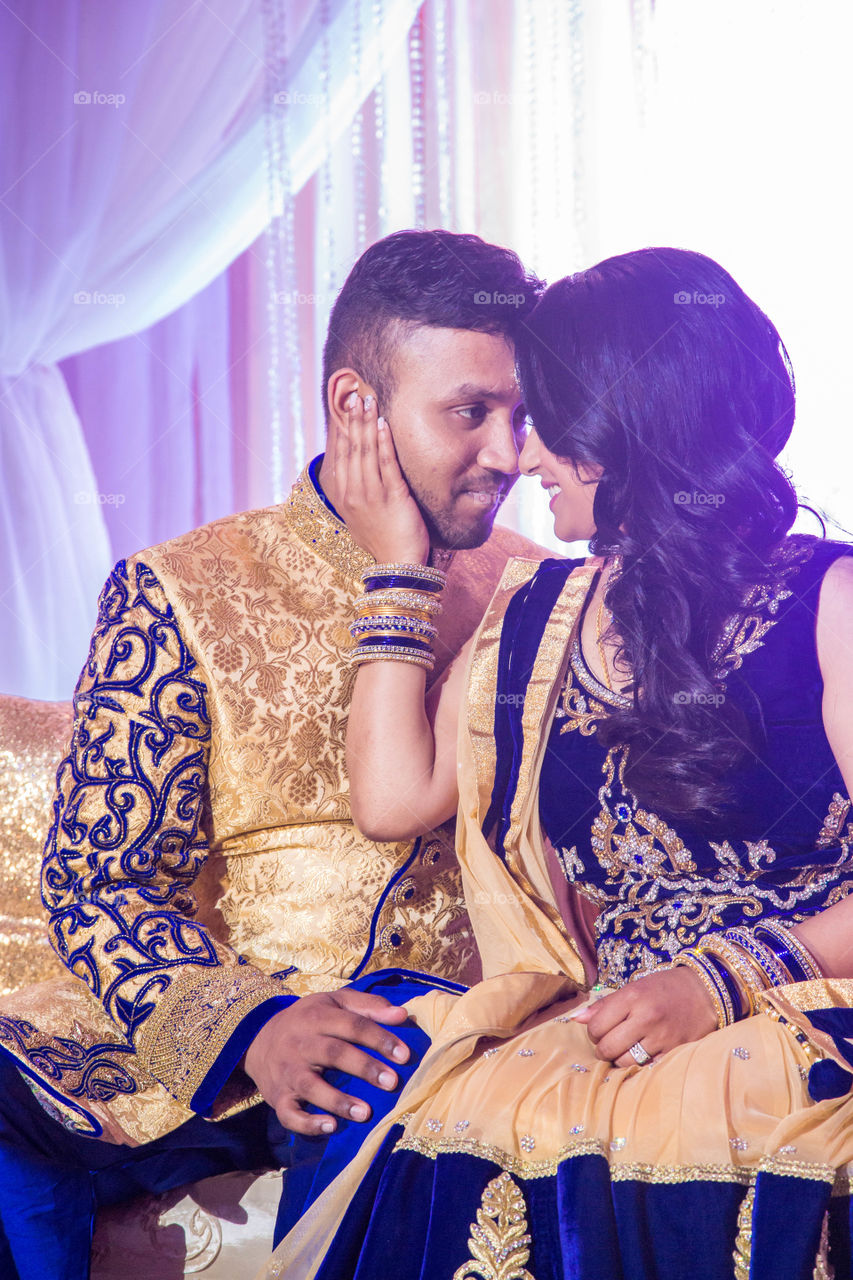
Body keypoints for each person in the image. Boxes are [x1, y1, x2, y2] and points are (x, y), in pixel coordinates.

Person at [264, 247, 853, 1280]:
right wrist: (400, 569)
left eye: (549, 424)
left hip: (792, 1021)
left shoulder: (829, 604)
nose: (521, 458)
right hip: (605, 1029)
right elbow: (394, 795)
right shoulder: (537, 616)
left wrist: (720, 980)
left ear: (626, 429)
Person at [0, 228, 548, 1280]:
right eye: (469, 413)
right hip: (236, 1056)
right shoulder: (182, 589)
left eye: (522, 416)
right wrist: (256, 1026)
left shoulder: (543, 591)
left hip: (459, 1036)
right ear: (356, 407)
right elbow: (99, 881)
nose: (510, 453)